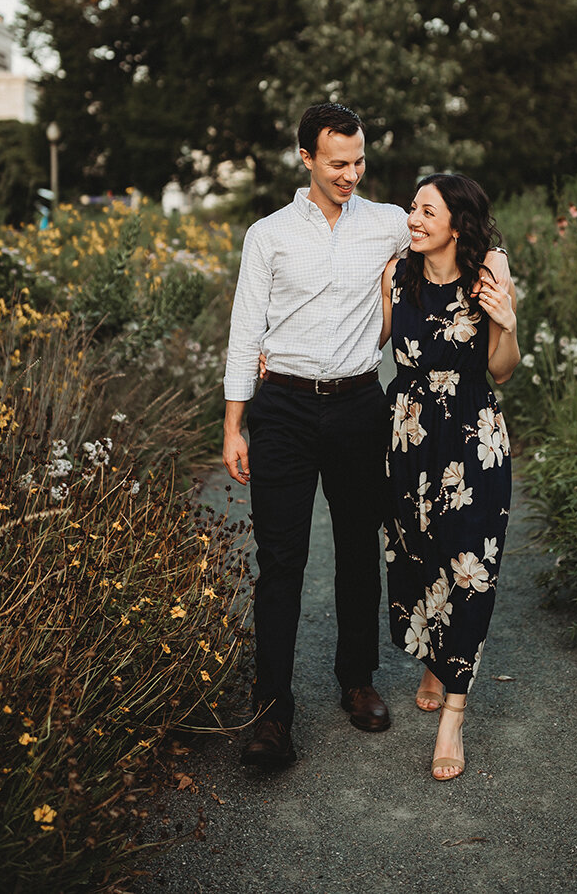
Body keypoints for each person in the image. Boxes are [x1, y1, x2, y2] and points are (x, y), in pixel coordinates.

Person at [222, 102, 410, 770]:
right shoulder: (267, 235)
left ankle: (357, 681)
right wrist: (234, 425)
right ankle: (272, 715)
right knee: (281, 562)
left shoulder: (389, 224)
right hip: (284, 410)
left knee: (361, 549)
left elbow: (452, 238)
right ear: (306, 158)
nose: (351, 174)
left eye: (359, 161)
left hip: (361, 404)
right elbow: (247, 328)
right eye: (338, 163)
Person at [380, 172, 519, 782]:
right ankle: (434, 659)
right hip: (408, 437)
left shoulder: (485, 279)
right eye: (413, 207)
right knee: (417, 555)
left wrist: (509, 321)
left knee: (470, 565)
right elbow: (366, 341)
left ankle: (453, 716)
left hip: (472, 437)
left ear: (456, 225)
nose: (413, 218)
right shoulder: (396, 276)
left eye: (427, 210)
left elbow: (503, 370)